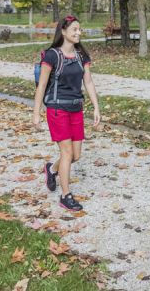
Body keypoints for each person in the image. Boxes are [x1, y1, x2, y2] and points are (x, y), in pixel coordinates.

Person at [33, 15, 101, 211]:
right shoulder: (52, 55)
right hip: (57, 109)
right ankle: (66, 195)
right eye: (74, 29)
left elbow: (88, 82)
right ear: (63, 31)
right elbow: (42, 85)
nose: (78, 33)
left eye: (80, 29)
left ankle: (51, 169)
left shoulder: (82, 56)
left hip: (76, 108)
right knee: (67, 152)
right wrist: (36, 112)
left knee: (76, 155)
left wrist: (96, 107)